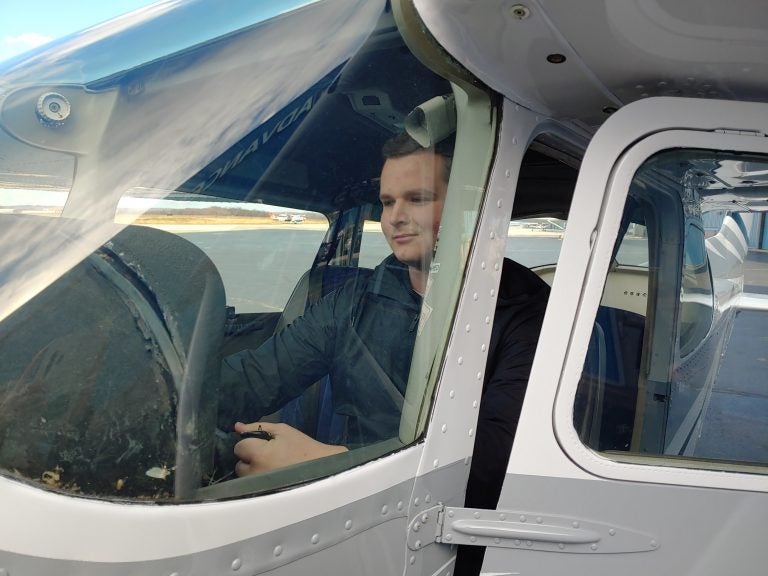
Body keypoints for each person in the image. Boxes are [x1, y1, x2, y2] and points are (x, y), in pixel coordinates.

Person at [218, 132, 549, 575]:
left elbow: (492, 463)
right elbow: (258, 375)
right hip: (350, 516)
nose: (395, 218)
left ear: (470, 209)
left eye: (417, 198)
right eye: (387, 201)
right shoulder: (355, 301)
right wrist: (164, 406)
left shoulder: (523, 311)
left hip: (455, 533)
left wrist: (321, 464)